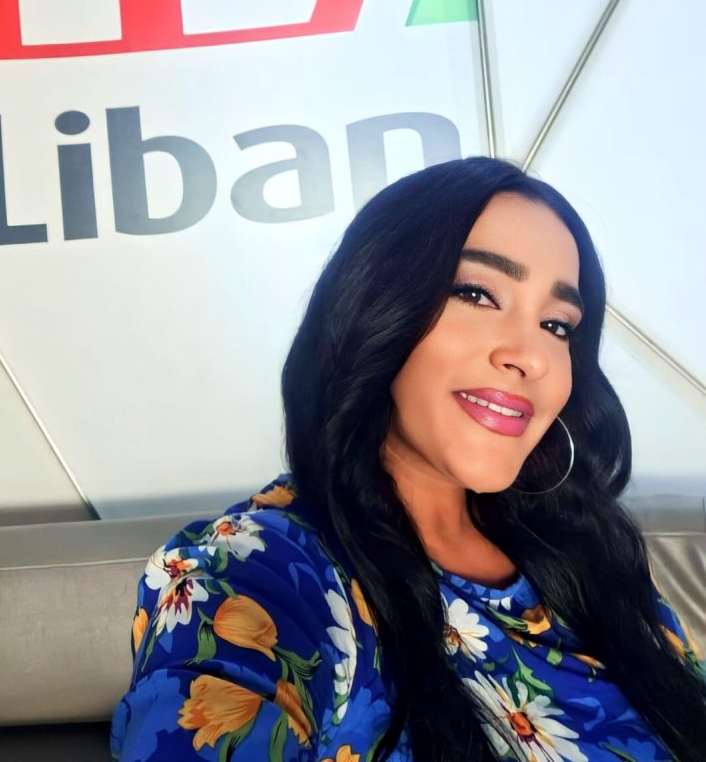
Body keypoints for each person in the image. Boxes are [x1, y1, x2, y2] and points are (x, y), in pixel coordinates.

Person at [110, 157, 706, 762]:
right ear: (375, 306)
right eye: (476, 293)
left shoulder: (591, 548)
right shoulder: (253, 572)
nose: (531, 356)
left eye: (557, 325)